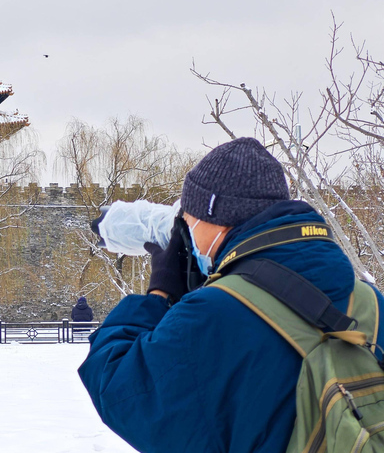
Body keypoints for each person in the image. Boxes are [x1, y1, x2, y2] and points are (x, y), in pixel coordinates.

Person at [78, 137, 384, 453]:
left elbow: (120, 389)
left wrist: (159, 292)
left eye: (190, 220)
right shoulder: (370, 300)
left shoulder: (214, 313)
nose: (187, 232)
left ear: (216, 222)